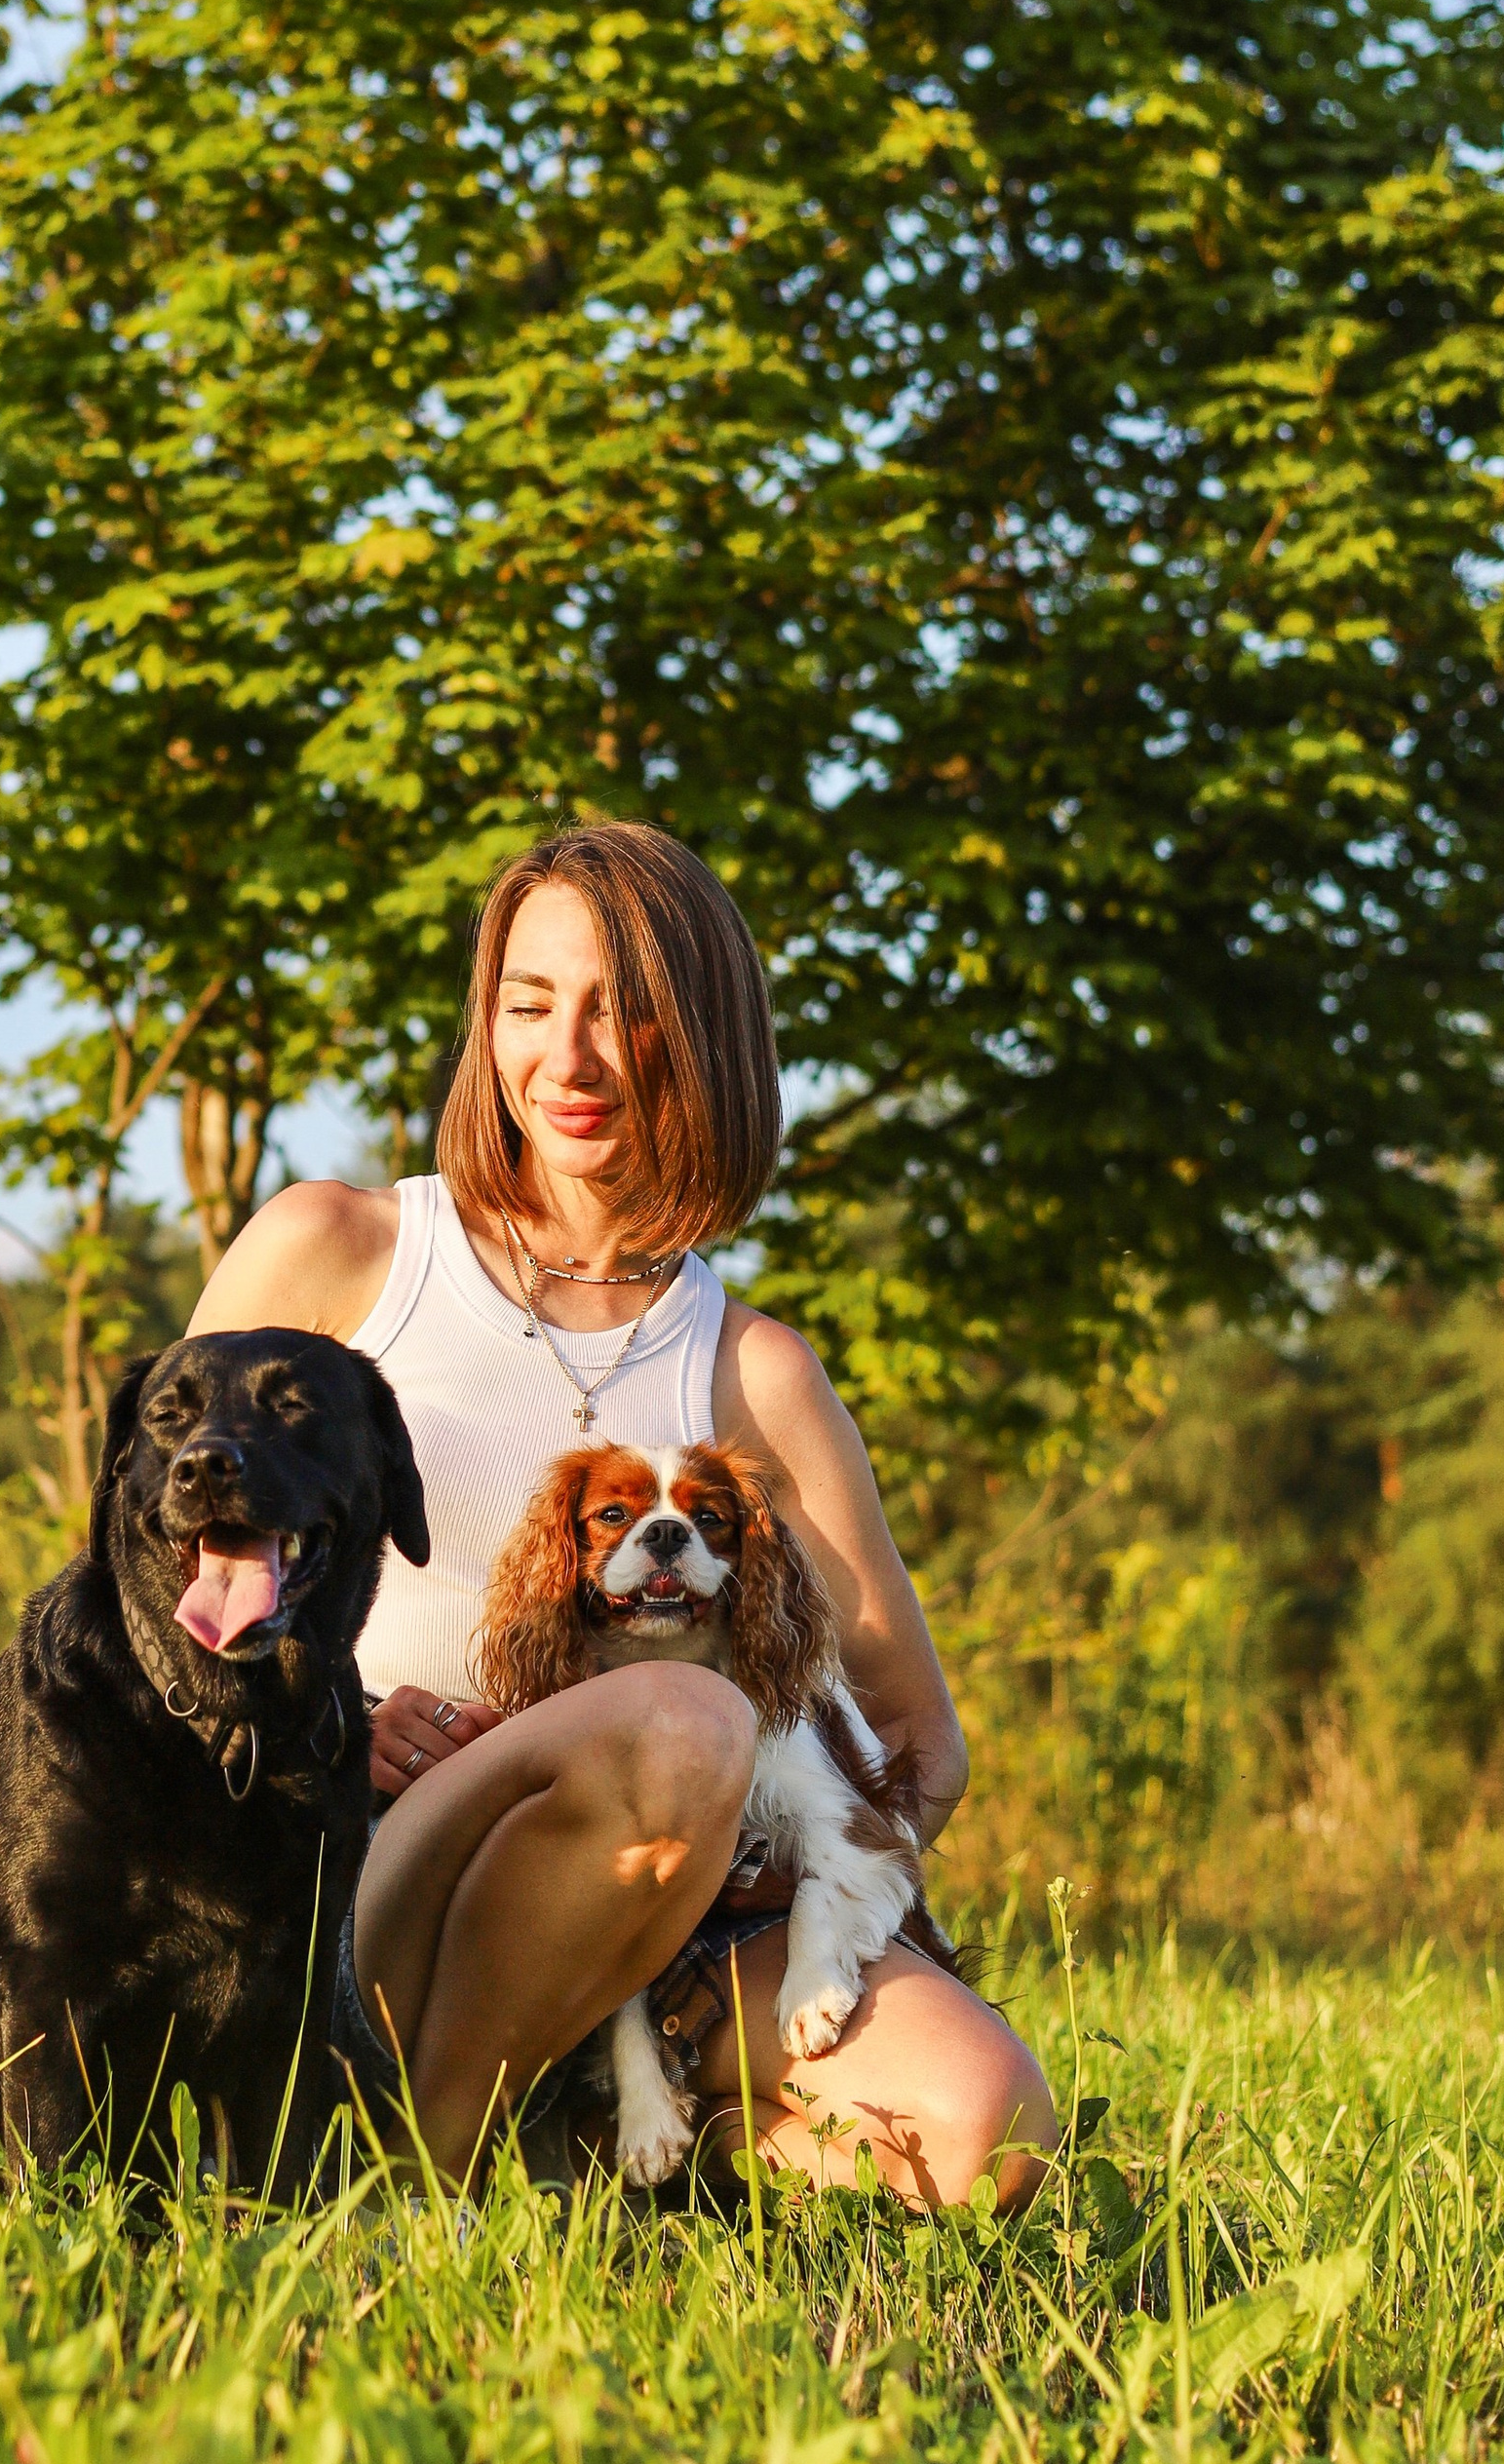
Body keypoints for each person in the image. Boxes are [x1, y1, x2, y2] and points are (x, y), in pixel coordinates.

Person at [190, 823, 1057, 2209]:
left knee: (984, 2129)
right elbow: (134, 1601)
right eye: (530, 1006)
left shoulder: (754, 1372)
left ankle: (600, 2129)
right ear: (487, 1027)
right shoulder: (343, 1254)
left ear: (702, 1034)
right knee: (677, 1718)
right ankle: (434, 2162)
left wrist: (748, 1876)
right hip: (363, 1874)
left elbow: (918, 1744)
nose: (570, 1056)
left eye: (623, 1010)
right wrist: (331, 1714)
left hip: (674, 1942)